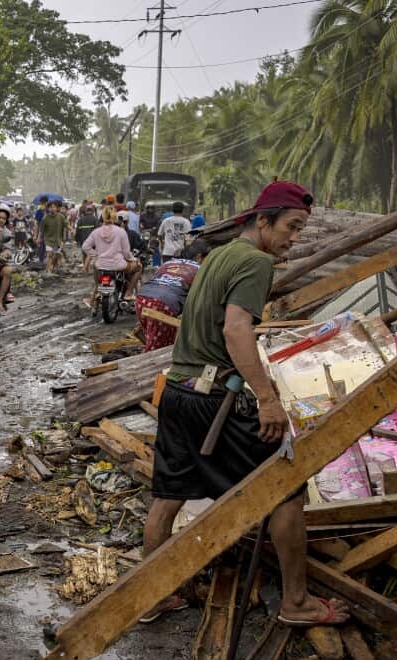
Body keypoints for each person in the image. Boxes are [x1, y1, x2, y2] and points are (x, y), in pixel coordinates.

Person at [141, 181, 350, 627]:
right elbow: (236, 331)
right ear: (263, 220)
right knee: (285, 486)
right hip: (212, 398)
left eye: (300, 229)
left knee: (168, 496)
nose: (294, 237)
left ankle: (148, 598)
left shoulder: (218, 255)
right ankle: (295, 603)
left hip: (178, 390)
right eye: (291, 227)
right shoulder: (255, 262)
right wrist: (269, 399)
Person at [135, 240, 208, 352]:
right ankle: (151, 367)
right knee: (160, 349)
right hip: (163, 303)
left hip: (142, 297)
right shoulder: (200, 268)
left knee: (153, 339)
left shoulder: (169, 263)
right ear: (199, 257)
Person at [82, 206, 142, 304]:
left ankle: (97, 293)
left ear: (103, 216)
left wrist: (96, 255)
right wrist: (134, 260)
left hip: (101, 265)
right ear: (115, 217)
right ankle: (128, 292)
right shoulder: (121, 232)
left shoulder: (96, 232)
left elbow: (85, 247)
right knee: (139, 267)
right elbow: (126, 253)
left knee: (97, 275)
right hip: (118, 265)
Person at [39, 200, 68, 272]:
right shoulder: (45, 218)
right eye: (50, 207)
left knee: (57, 255)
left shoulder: (60, 216)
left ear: (57, 208)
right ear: (48, 208)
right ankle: (48, 270)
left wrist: (72, 230)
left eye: (54, 207)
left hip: (58, 240)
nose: (52, 208)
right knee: (50, 255)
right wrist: (38, 238)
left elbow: (66, 225)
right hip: (48, 240)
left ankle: (54, 268)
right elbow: (41, 230)